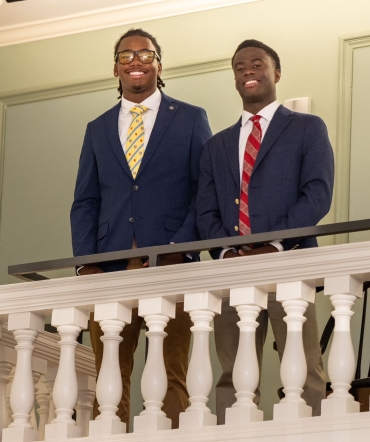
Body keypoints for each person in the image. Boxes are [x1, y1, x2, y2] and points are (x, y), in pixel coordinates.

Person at [70, 28, 212, 430]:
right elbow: (85, 200)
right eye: (126, 55)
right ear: (115, 66)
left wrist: (178, 248)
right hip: (109, 268)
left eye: (145, 54)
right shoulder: (97, 128)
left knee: (172, 371)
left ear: (159, 65)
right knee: (110, 375)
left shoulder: (189, 118)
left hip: (172, 263)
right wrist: (87, 265)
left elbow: (204, 191)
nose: (136, 61)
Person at [196, 39, 334, 424]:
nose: (247, 71)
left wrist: (273, 244)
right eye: (239, 67)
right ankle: (232, 431)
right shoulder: (216, 146)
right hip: (231, 269)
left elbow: (317, 195)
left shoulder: (307, 128)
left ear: (276, 73)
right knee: (232, 372)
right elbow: (205, 210)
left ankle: (310, 431)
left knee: (304, 365)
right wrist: (225, 252)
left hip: (287, 262)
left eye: (257, 63)